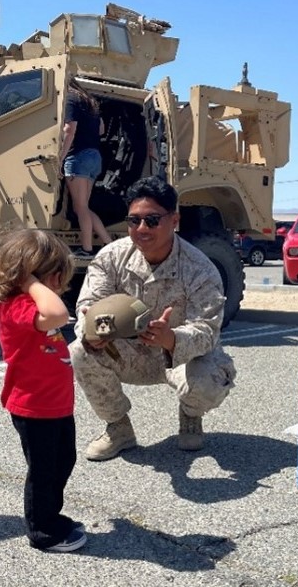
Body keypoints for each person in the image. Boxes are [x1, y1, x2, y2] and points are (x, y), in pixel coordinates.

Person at [69, 176, 237, 461]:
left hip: (180, 357)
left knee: (211, 377)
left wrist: (172, 338)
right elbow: (88, 305)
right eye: (134, 221)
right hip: (129, 353)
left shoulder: (200, 268)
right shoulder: (111, 257)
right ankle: (118, 428)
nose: (141, 229)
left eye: (152, 220)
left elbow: (208, 330)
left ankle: (190, 413)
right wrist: (94, 332)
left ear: (175, 221)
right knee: (80, 350)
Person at [0, 228, 86, 553]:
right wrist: (31, 282)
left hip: (55, 406)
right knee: (43, 472)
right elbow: (58, 314)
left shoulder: (31, 307)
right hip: (34, 408)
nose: (60, 286)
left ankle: (51, 515)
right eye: (57, 278)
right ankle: (43, 530)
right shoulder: (16, 308)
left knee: (63, 461)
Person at [61, 78, 113, 259]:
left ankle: (87, 249)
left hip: (78, 157)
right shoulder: (90, 102)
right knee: (84, 207)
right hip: (94, 156)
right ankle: (108, 245)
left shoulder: (69, 99)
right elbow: (101, 129)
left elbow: (69, 129)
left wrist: (60, 157)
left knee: (80, 208)